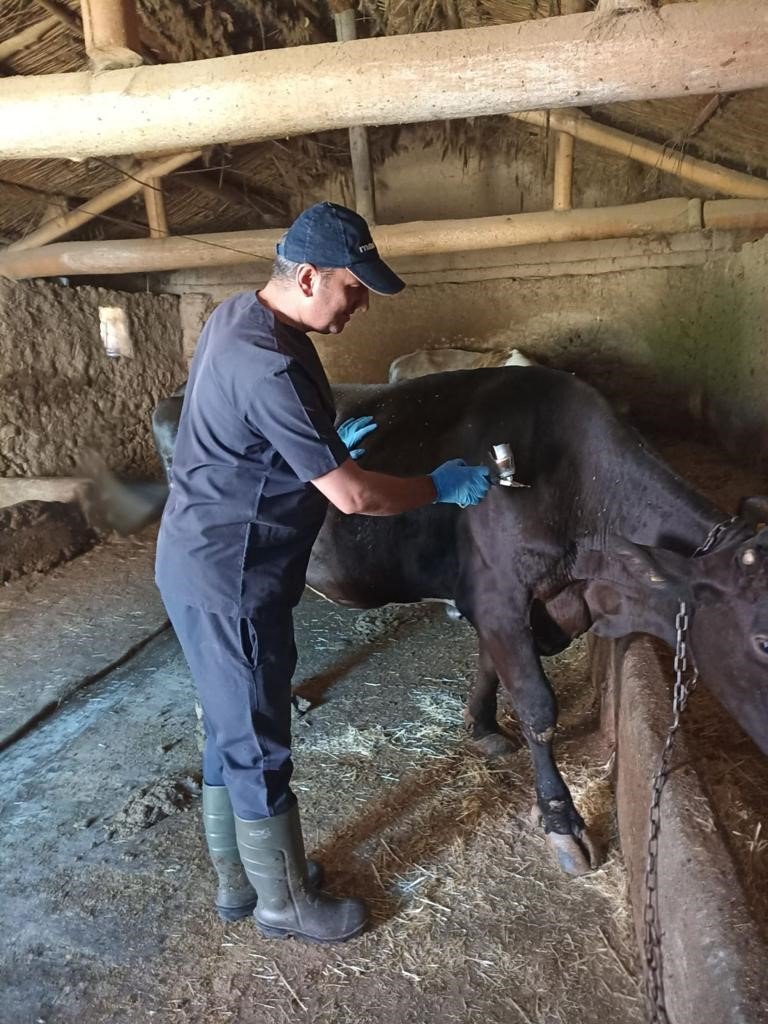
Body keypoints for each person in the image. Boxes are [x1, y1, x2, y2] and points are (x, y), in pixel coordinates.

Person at [155, 201, 490, 945]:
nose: (363, 301)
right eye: (353, 286)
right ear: (308, 276)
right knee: (257, 736)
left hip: (203, 558)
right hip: (230, 575)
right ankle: (285, 905)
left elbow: (251, 430)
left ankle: (241, 885)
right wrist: (439, 484)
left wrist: (321, 439)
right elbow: (355, 495)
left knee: (231, 726)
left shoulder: (242, 318)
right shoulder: (271, 359)